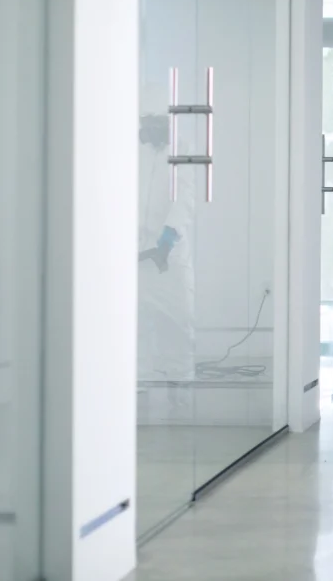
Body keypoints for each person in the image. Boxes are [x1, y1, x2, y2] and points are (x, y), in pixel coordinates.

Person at [137, 84, 197, 421]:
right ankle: (138, 380)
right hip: (135, 254)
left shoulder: (183, 150)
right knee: (136, 321)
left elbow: (184, 201)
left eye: (159, 120)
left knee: (177, 319)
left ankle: (180, 383)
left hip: (168, 255)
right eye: (148, 120)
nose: (153, 127)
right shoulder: (132, 153)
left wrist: (164, 243)